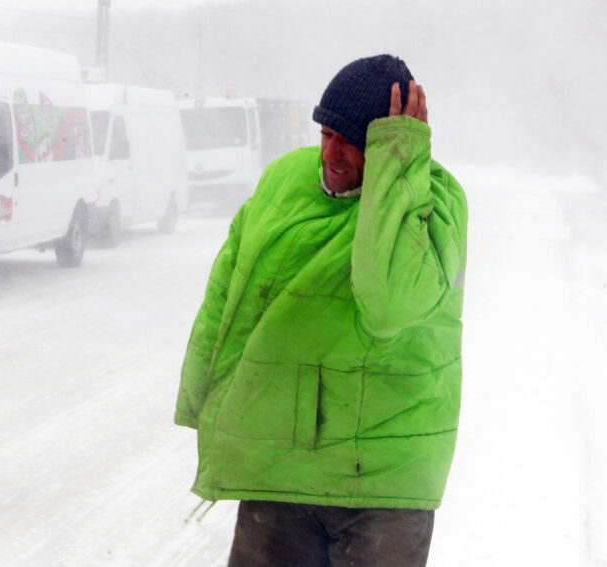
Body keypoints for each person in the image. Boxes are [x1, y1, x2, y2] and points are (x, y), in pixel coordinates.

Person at [174, 54, 468, 566]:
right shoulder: (286, 179)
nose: (333, 151)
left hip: (384, 483)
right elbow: (228, 294)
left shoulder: (435, 202)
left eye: (353, 139)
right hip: (282, 465)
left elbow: (389, 305)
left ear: (389, 145)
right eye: (327, 132)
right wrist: (205, 403)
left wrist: (397, 169)